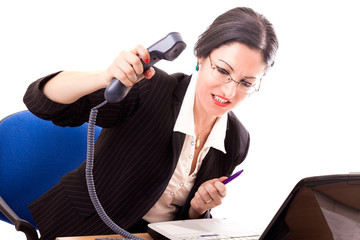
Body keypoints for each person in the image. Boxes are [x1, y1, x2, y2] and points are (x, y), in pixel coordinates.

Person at [23, 6, 278, 240]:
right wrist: (104, 77)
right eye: (223, 71)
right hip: (83, 229)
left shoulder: (236, 140)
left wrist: (198, 210)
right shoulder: (150, 89)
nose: (230, 92)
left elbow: (187, 226)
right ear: (201, 57)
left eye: (246, 83)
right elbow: (42, 103)